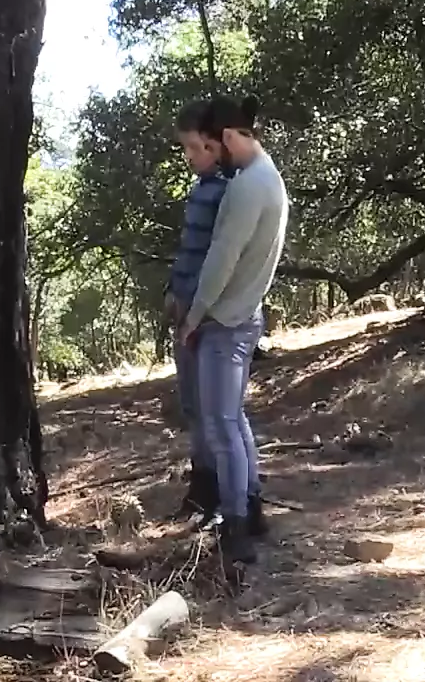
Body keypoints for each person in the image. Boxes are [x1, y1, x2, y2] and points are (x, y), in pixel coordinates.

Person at [177, 93, 290, 564]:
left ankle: (236, 527)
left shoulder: (247, 187)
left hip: (226, 321)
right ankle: (251, 505)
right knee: (234, 420)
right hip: (243, 315)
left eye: (211, 146)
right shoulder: (268, 178)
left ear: (226, 137)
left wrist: (194, 316)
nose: (211, 156)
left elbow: (221, 260)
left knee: (221, 428)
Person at [163, 99, 230, 528]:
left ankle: (216, 491)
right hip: (185, 306)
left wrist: (197, 308)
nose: (188, 156)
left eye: (192, 147)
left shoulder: (226, 191)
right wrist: (173, 291)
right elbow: (189, 250)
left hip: (204, 313)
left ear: (213, 144)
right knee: (191, 402)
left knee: (210, 406)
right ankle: (201, 483)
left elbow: (217, 257)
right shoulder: (201, 187)